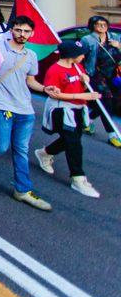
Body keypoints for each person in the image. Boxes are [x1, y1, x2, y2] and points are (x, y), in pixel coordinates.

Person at [0, 16, 53, 210]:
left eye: (26, 31)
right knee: (0, 145)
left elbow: (30, 80)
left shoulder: (31, 55)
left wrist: (45, 89)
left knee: (21, 150)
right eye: (18, 30)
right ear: (11, 30)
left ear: (31, 33)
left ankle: (23, 190)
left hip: (24, 108)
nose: (22, 34)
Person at [35, 40, 103, 198]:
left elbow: (81, 87)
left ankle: (44, 153)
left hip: (78, 108)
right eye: (81, 54)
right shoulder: (54, 70)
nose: (83, 56)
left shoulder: (77, 67)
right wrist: (82, 95)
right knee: (74, 144)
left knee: (72, 139)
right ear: (72, 55)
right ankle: (78, 178)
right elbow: (54, 93)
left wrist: (85, 83)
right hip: (62, 109)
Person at [81, 15, 121, 146]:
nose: (102, 27)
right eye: (99, 24)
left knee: (113, 101)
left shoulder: (115, 37)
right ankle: (112, 134)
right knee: (107, 100)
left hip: (113, 74)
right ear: (92, 26)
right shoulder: (87, 40)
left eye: (104, 24)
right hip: (96, 74)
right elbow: (81, 57)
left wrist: (118, 46)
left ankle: (89, 119)